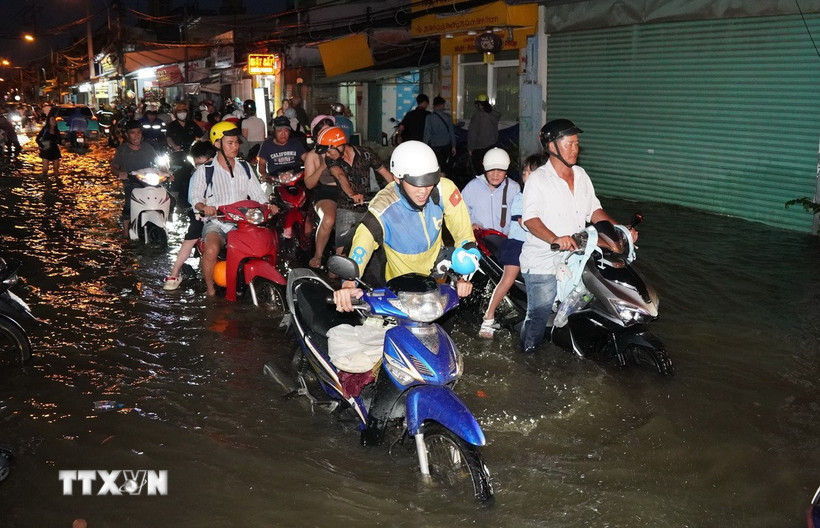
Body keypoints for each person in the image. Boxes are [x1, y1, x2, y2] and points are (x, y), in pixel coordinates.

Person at [519, 119, 637, 353]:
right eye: (570, 143)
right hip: (544, 260)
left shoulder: (581, 175)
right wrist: (554, 238)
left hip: (577, 256)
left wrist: (620, 231)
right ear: (552, 146)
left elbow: (594, 210)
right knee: (540, 312)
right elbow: (531, 219)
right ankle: (528, 351)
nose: (576, 148)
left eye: (577, 144)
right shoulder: (538, 180)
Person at [332, 140, 475, 311]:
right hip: (401, 292)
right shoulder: (383, 207)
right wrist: (349, 283)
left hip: (438, 284)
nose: (424, 190)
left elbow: (464, 235)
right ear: (397, 178)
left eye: (429, 181)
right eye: (415, 183)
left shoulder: (445, 189)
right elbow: (363, 244)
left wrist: (463, 276)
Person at [188, 122, 278, 296]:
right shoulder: (205, 171)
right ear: (217, 144)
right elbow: (195, 198)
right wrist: (204, 207)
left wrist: (269, 206)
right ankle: (210, 289)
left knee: (267, 243)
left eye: (236, 142)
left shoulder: (245, 167)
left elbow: (257, 194)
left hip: (244, 221)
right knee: (212, 248)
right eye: (230, 143)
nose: (235, 146)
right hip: (218, 222)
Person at [478, 153, 545, 338]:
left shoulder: (548, 200)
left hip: (538, 245)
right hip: (518, 244)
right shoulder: (520, 197)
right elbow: (525, 222)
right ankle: (488, 318)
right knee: (508, 278)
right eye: (524, 173)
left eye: (531, 173)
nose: (526, 176)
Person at [315, 126, 394, 254]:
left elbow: (384, 172)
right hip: (347, 207)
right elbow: (340, 176)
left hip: (370, 208)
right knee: (340, 256)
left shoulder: (366, 153)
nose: (327, 155)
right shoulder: (331, 160)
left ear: (339, 145)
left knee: (383, 247)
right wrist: (352, 194)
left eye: (329, 151)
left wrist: (399, 191)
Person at [163, 141, 218, 291]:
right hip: (202, 213)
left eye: (202, 163)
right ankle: (174, 272)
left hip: (225, 214)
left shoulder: (226, 170)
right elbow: (193, 199)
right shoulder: (196, 175)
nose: (199, 168)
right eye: (197, 164)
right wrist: (202, 207)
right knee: (192, 235)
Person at [111, 119, 158, 238]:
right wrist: (120, 173)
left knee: (168, 197)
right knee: (128, 203)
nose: (136, 136)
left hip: (149, 181)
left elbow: (159, 163)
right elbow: (114, 167)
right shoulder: (122, 150)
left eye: (138, 132)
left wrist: (166, 172)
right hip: (131, 182)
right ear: (127, 134)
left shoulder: (148, 148)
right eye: (133, 133)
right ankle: (126, 231)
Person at [303, 115, 337, 269]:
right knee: (329, 218)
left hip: (344, 191)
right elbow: (309, 184)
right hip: (324, 192)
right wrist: (323, 166)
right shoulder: (313, 156)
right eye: (323, 132)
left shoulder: (341, 149)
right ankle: (318, 254)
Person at [462, 147, 521, 235]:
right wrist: (471, 223)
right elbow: (461, 212)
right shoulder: (471, 187)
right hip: (480, 241)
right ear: (484, 167)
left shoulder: (514, 188)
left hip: (506, 241)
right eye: (491, 170)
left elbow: (518, 216)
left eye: (500, 170)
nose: (495, 174)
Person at [467, 94, 500, 175]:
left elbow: (472, 134)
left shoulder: (477, 116)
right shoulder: (494, 114)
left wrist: (470, 148)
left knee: (480, 172)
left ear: (478, 104)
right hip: (492, 146)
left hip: (479, 149)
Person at [422, 96, 456, 174]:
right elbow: (451, 132)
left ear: (434, 105)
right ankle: (443, 181)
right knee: (444, 166)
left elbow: (427, 133)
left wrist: (425, 146)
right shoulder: (448, 117)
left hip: (435, 146)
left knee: (435, 166)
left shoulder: (429, 117)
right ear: (441, 105)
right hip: (446, 146)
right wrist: (454, 146)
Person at [35, 110, 62, 176]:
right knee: (45, 170)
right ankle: (45, 182)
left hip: (55, 150)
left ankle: (57, 182)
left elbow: (59, 141)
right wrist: (42, 146)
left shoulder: (57, 130)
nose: (54, 121)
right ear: (49, 121)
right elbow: (37, 139)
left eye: (55, 120)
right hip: (46, 150)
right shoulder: (45, 129)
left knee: (56, 169)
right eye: (52, 120)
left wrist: (64, 143)